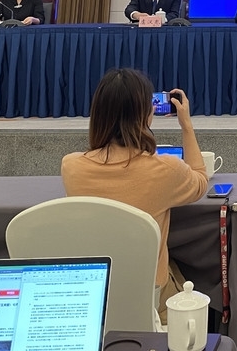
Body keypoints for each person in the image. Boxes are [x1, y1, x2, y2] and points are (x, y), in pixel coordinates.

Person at [61, 68, 208, 321]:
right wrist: (186, 126)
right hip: (149, 293)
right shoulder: (166, 170)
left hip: (94, 289)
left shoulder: (71, 166)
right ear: (145, 115)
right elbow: (201, 180)